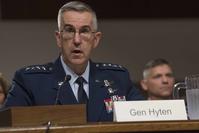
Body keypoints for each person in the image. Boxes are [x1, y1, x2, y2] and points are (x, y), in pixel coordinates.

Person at [4, 1, 144, 122]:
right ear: (59, 38)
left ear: (95, 39)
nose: (77, 40)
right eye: (70, 30)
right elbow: (6, 125)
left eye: (84, 31)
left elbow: (145, 118)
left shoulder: (117, 78)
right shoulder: (30, 81)